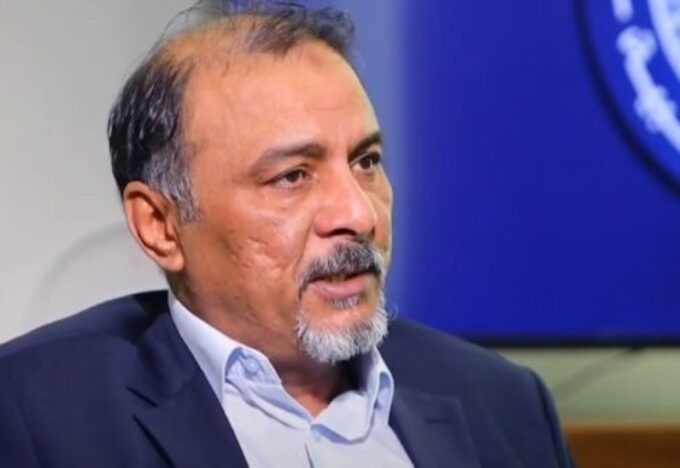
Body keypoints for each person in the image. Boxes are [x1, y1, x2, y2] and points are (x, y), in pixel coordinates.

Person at [0, 2, 573, 467]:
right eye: (292, 176)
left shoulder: (505, 405)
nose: (358, 213)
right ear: (160, 226)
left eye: (366, 162)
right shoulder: (34, 415)